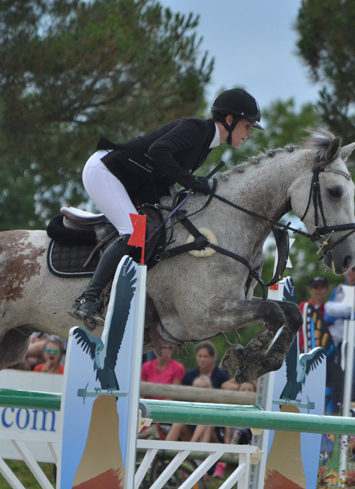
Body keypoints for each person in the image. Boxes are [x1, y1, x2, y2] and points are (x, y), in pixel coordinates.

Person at [70, 88, 263, 328]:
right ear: (230, 119)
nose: (249, 133)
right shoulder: (195, 128)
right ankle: (87, 299)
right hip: (106, 171)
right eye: (248, 125)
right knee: (132, 232)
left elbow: (160, 176)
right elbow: (158, 151)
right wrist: (191, 181)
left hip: (130, 180)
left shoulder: (206, 143)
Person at [324, 257, 355, 399]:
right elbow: (327, 316)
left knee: (350, 376)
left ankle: (351, 405)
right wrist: (351, 309)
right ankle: (336, 406)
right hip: (339, 339)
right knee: (337, 376)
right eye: (349, 267)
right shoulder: (338, 289)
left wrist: (338, 310)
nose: (351, 271)